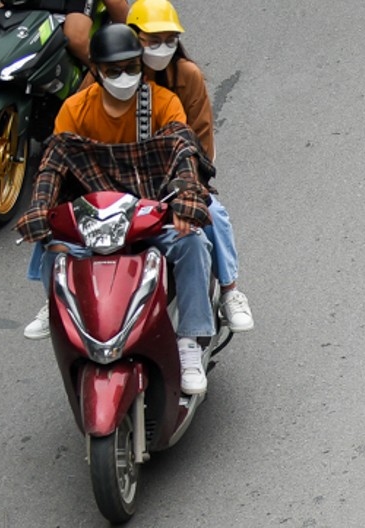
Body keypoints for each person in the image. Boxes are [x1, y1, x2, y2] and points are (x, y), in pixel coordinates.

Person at [16, 21, 214, 391]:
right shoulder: (75, 109)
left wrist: (186, 200)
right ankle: (60, 314)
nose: (125, 76)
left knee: (194, 245)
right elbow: (52, 165)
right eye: (114, 70)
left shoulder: (162, 103)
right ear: (96, 71)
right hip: (98, 219)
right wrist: (39, 210)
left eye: (132, 67)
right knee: (54, 251)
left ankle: (191, 342)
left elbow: (184, 151)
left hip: (150, 214)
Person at [125, 0, 253, 331]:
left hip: (178, 175)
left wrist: (190, 186)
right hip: (123, 179)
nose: (161, 48)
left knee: (213, 215)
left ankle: (229, 290)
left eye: (168, 39)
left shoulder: (187, 76)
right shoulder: (114, 71)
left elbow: (202, 139)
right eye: (152, 40)